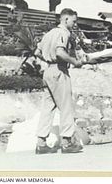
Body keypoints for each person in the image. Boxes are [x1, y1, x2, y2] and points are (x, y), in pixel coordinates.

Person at [34, 8, 83, 154]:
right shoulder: (63, 33)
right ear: (65, 19)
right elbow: (60, 52)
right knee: (66, 106)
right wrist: (74, 61)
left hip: (48, 71)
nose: (74, 24)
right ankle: (67, 143)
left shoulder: (49, 33)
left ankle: (41, 143)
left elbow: (37, 52)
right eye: (73, 21)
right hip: (59, 71)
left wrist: (49, 60)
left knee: (47, 108)